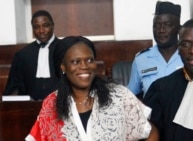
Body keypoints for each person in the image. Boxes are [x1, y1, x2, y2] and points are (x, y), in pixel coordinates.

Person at [25, 36, 159, 141]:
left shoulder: (119, 96)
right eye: (75, 62)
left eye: (89, 60)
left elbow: (151, 132)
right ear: (63, 67)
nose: (85, 66)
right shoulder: (52, 103)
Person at [128, 1, 183, 98]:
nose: (161, 30)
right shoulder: (141, 60)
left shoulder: (188, 56)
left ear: (179, 29)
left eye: (167, 25)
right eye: (157, 25)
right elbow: (129, 97)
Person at [3, 10, 60, 100]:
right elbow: (14, 86)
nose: (41, 31)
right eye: (36, 27)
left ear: (52, 25)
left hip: (61, 106)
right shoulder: (22, 55)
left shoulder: (65, 50)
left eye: (46, 26)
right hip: (30, 108)